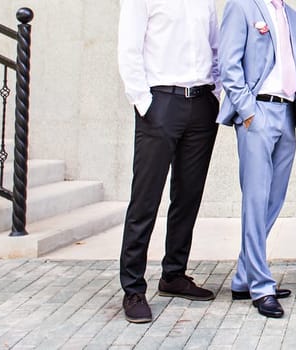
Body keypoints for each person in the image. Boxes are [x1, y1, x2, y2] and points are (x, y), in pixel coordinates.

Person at [117, 0, 223, 324]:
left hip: (202, 104)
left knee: (188, 196)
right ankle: (133, 288)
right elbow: (129, 50)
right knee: (145, 200)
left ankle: (174, 274)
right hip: (160, 103)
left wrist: (216, 94)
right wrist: (144, 103)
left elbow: (215, 49)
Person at [218, 0, 296, 319]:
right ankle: (261, 286)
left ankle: (242, 278)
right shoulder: (242, 7)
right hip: (257, 114)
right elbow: (228, 64)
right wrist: (248, 113)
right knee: (256, 200)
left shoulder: (293, 16)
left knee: (274, 199)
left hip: (287, 114)